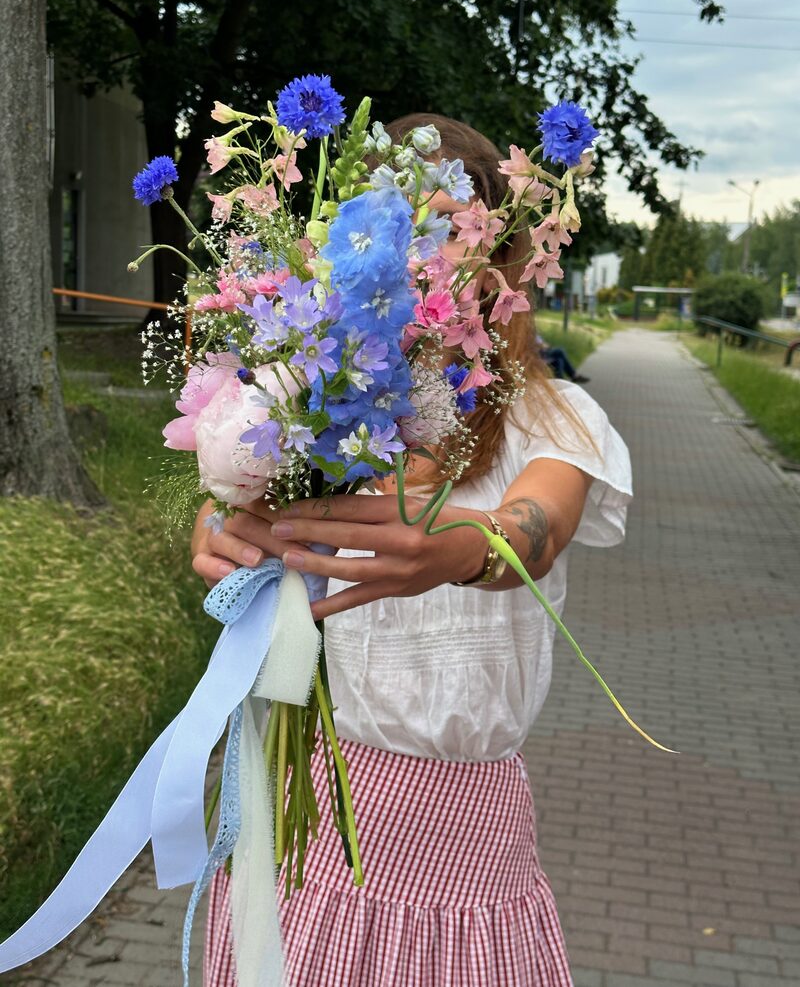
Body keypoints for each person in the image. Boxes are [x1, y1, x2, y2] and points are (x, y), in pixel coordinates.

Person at [191, 113, 632, 987]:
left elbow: (531, 531)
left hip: (469, 853)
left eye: (446, 235)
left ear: (499, 260)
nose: (425, 264)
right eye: (401, 235)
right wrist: (224, 534)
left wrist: (463, 546)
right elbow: (241, 526)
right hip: (306, 834)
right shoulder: (331, 418)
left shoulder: (558, 421)